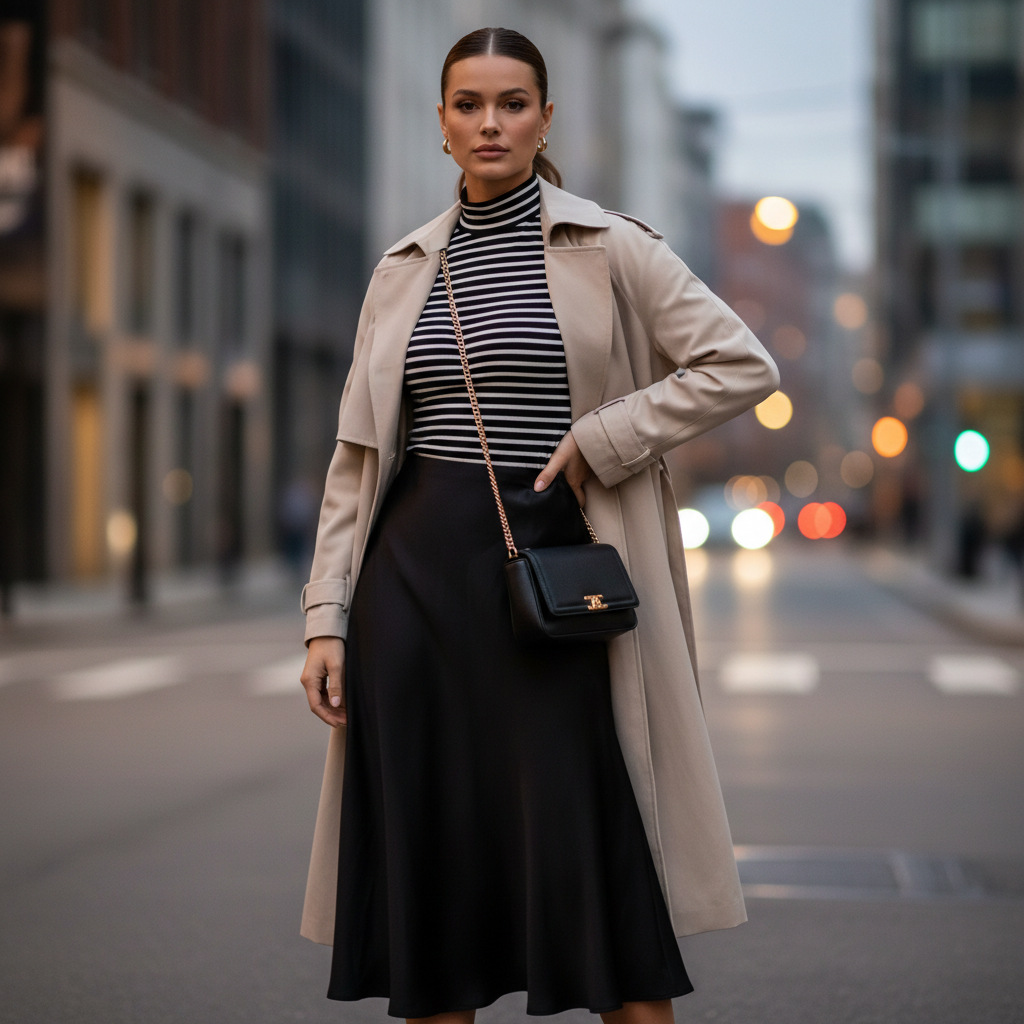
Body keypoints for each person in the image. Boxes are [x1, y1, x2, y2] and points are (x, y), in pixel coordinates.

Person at [298, 26, 779, 1024]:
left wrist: (609, 432)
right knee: (437, 888)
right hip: (415, 591)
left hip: (552, 588)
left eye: (511, 103)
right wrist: (325, 617)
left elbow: (740, 365)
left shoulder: (612, 247)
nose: (489, 122)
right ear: (440, 124)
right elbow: (356, 464)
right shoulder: (401, 270)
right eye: (468, 104)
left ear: (543, 118)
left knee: (595, 862)